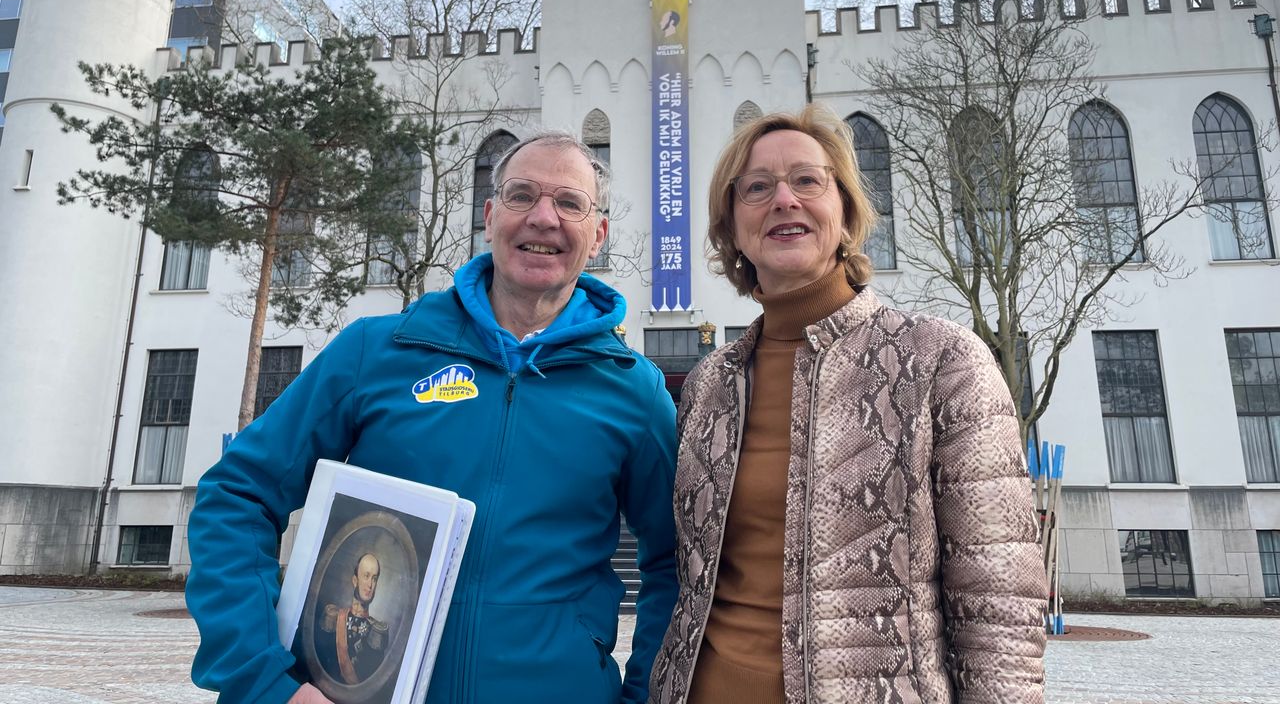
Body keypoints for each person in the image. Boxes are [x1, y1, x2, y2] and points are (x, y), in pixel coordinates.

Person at [186, 131, 679, 704]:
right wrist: (263, 679)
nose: (544, 218)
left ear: (597, 235)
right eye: (522, 196)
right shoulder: (376, 351)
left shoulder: (633, 389)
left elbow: (677, 562)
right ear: (490, 217)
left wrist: (645, 695)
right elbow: (236, 496)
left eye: (569, 202)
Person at [648, 105, 1049, 703]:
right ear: (731, 225)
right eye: (757, 187)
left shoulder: (941, 359)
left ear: (846, 211)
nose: (784, 199)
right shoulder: (711, 384)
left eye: (807, 180)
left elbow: (999, 599)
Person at [313, 553, 388, 685]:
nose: (370, 584)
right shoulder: (333, 617)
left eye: (374, 579)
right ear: (355, 580)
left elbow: (372, 684)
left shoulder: (377, 631)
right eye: (366, 576)